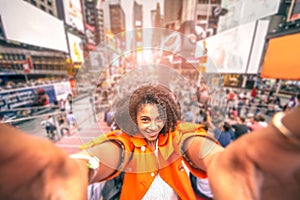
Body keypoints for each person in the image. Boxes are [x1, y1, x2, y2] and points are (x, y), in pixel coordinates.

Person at [1, 85, 300, 200]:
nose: (153, 127)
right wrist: (79, 166)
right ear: (134, 120)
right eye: (145, 120)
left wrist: (221, 160)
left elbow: (200, 147)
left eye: (158, 119)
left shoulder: (182, 135)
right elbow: (104, 156)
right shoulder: (124, 143)